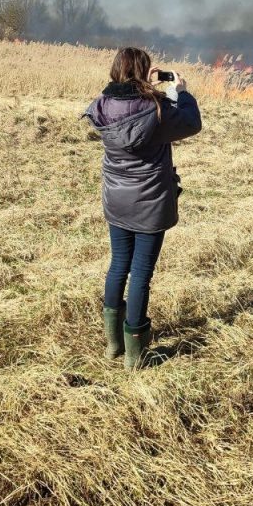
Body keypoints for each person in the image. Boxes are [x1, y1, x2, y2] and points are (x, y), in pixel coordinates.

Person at [83, 47, 203, 369]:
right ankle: (134, 357)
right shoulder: (156, 109)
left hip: (116, 198)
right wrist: (179, 92)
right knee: (141, 274)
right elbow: (191, 123)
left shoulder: (103, 105)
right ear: (143, 71)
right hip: (150, 202)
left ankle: (113, 344)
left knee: (119, 264)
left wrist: (146, 86)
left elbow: (126, 106)